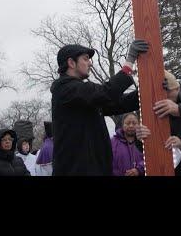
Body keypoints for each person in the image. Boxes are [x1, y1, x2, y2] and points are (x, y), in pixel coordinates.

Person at [51, 39, 149, 176]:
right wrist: (129, 63)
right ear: (71, 63)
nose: (90, 63)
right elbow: (106, 93)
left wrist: (146, 92)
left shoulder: (81, 96)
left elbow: (117, 104)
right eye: (85, 59)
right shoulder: (65, 89)